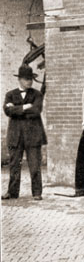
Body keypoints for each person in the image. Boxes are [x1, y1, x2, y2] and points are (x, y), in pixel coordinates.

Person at [3, 64, 47, 201]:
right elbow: (7, 111)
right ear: (20, 80)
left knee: (35, 166)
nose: (29, 81)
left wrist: (16, 109)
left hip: (33, 136)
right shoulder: (10, 94)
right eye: (26, 79)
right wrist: (25, 107)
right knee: (14, 165)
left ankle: (37, 193)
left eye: (31, 79)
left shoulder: (37, 94)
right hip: (15, 136)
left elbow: (36, 111)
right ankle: (12, 192)